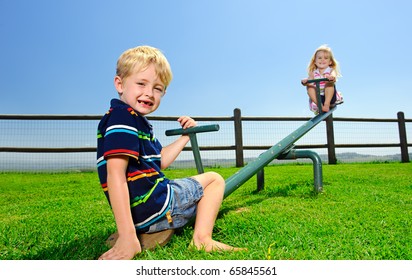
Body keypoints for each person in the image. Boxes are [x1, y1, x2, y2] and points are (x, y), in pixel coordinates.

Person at [96, 46, 242, 260]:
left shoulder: (131, 120)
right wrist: (127, 237)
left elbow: (160, 161)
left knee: (180, 183)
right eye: (141, 83)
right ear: (120, 84)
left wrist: (185, 136)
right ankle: (202, 239)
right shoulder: (124, 118)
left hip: (141, 213)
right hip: (157, 206)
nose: (149, 93)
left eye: (158, 88)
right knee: (214, 180)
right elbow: (115, 175)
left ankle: (156, 226)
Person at [301, 45, 343, 113]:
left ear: (330, 62)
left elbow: (333, 76)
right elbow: (309, 82)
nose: (322, 60)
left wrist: (331, 77)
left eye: (326, 58)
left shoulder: (331, 70)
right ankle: (319, 105)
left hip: (329, 97)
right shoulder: (313, 72)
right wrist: (306, 82)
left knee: (329, 84)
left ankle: (326, 104)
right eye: (319, 58)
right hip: (318, 97)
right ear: (315, 61)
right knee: (309, 87)